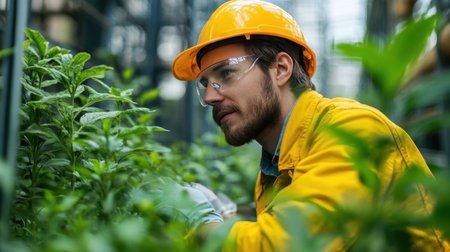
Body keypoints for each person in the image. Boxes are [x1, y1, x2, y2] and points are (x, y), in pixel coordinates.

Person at [171, 0, 449, 251]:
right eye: (205, 83)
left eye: (226, 73)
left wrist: (203, 222)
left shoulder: (353, 129)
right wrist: (224, 215)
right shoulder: (273, 169)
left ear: (281, 69)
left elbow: (287, 245)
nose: (210, 96)